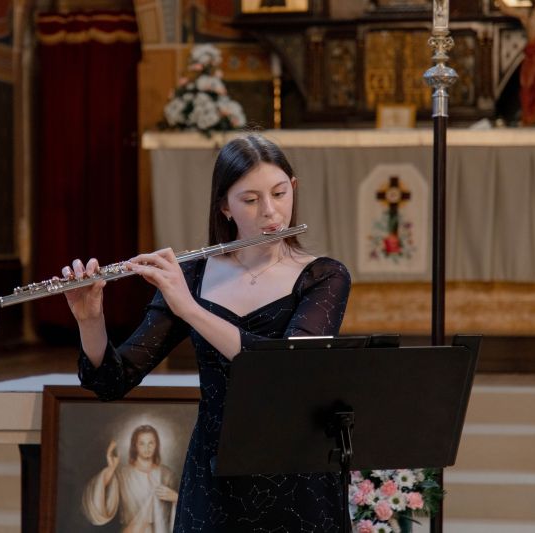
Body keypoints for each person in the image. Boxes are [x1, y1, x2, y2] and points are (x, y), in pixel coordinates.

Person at [64, 133, 351, 532]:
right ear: (225, 206)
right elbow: (112, 380)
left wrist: (191, 309)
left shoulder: (324, 276)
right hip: (215, 474)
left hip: (298, 473)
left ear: (293, 188)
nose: (271, 212)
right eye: (250, 200)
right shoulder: (191, 277)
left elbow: (286, 368)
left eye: (279, 193)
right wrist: (90, 319)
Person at [82, 425, 178, 533]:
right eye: (142, 443)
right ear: (135, 446)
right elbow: (99, 495)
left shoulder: (167, 474)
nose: (147, 448)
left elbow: (178, 514)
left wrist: (176, 499)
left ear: (157, 445)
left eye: (151, 443)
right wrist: (111, 468)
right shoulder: (123, 474)